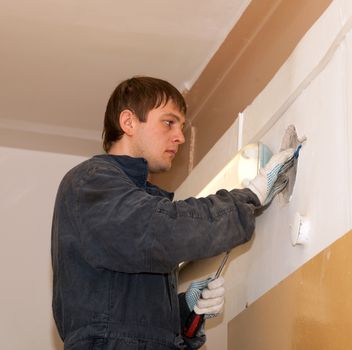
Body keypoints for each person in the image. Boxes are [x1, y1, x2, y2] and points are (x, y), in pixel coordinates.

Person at [51, 76, 294, 350]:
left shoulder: (133, 202)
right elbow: (159, 229)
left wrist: (184, 310)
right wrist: (247, 198)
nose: (179, 137)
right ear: (128, 122)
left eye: (181, 127)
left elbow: (127, 317)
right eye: (168, 122)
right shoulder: (91, 182)